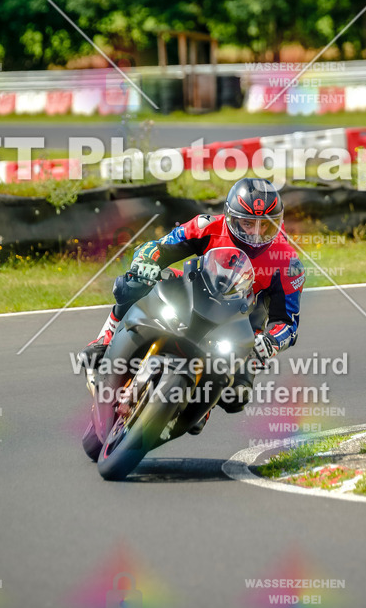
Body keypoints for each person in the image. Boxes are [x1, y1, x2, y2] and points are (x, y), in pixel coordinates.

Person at [77, 177, 305, 432]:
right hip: (193, 291)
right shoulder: (206, 226)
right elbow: (159, 248)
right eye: (248, 223)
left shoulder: (287, 263)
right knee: (132, 284)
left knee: (237, 396)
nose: (255, 234)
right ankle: (104, 340)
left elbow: (287, 322)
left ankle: (199, 406)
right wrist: (145, 263)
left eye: (266, 227)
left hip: (241, 324)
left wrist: (271, 342)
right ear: (231, 217)